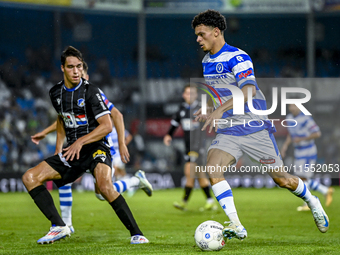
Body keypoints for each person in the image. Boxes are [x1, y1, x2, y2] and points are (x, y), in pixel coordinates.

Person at [191, 9, 329, 240]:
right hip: (229, 130)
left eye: (201, 34)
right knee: (212, 168)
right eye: (196, 35)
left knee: (282, 180)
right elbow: (219, 93)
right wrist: (209, 109)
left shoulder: (238, 57)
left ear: (216, 32)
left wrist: (218, 110)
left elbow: (248, 90)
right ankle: (236, 225)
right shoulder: (207, 61)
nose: (198, 39)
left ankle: (312, 200)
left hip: (254, 127)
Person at [22, 46, 149, 245]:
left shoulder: (91, 91)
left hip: (96, 148)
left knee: (104, 188)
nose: (75, 71)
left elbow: (107, 126)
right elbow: (63, 120)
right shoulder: (55, 93)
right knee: (29, 177)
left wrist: (82, 141)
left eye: (79, 67)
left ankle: (136, 233)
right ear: (62, 68)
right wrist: (58, 148)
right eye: (71, 67)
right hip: (73, 151)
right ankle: (59, 225)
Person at [163, 84, 216, 211]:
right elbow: (174, 123)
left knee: (189, 172)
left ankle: (184, 201)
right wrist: (169, 135)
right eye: (187, 93)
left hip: (198, 147)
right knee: (199, 175)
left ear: (196, 95)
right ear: (183, 95)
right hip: (188, 147)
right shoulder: (182, 109)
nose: (189, 95)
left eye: (192, 93)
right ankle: (210, 201)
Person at [281, 104, 334, 211]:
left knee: (301, 178)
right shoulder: (289, 118)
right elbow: (291, 134)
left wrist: (302, 139)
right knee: (302, 178)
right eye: (290, 106)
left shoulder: (306, 119)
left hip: (308, 151)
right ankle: (325, 191)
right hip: (298, 152)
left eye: (294, 106)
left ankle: (307, 203)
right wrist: (285, 146)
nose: (292, 108)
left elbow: (317, 133)